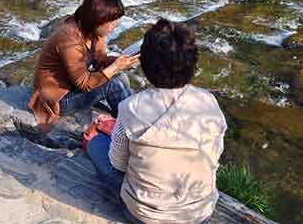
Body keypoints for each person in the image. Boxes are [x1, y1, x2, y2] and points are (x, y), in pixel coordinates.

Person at [86, 19, 227, 224]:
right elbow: (215, 156)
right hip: (200, 214)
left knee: (96, 144)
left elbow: (118, 163)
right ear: (192, 62)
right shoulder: (209, 102)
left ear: (146, 65)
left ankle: (92, 140)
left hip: (145, 215)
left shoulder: (131, 107)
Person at [28, 0, 138, 131]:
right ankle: (130, 128)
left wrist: (124, 61)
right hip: (56, 99)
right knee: (113, 85)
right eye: (111, 23)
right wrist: (115, 67)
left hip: (72, 86)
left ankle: (136, 115)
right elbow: (84, 84)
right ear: (97, 20)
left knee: (120, 77)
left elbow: (100, 61)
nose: (114, 26)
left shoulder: (93, 32)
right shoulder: (69, 38)